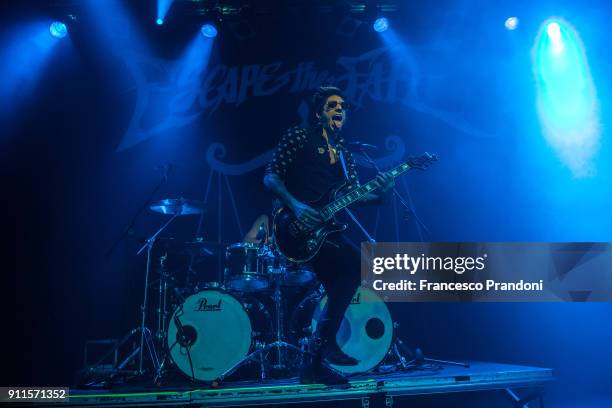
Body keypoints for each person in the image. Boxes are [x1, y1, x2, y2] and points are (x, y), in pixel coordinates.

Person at [263, 86, 394, 384]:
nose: (339, 110)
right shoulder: (299, 136)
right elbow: (270, 176)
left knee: (348, 276)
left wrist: (381, 192)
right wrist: (295, 206)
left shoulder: (345, 152)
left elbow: (352, 196)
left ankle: (315, 362)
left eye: (343, 106)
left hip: (325, 230)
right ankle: (324, 348)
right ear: (320, 111)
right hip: (294, 225)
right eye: (333, 105)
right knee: (353, 265)